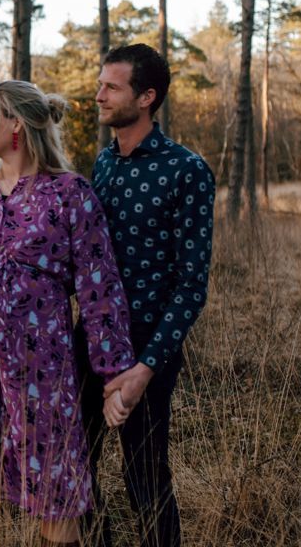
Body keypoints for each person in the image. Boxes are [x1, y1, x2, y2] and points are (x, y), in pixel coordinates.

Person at [0, 80, 136, 547]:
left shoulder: (69, 194)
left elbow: (100, 292)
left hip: (40, 376)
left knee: (55, 493)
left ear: (15, 124)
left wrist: (113, 374)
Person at [75, 44, 216, 547]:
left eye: (111, 87)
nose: (99, 96)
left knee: (146, 478)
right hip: (89, 336)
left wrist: (144, 368)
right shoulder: (103, 166)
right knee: (74, 464)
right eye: (100, 85)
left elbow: (191, 285)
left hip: (148, 343)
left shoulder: (187, 171)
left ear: (147, 96)